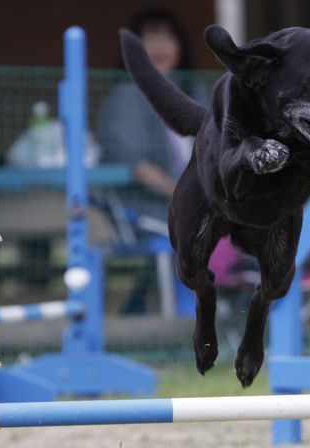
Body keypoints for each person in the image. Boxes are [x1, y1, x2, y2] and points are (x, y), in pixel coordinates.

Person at [97, 8, 201, 313]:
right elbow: (138, 165)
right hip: (144, 209)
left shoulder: (197, 91)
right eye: (149, 38)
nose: (159, 47)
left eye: (167, 37)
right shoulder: (126, 97)